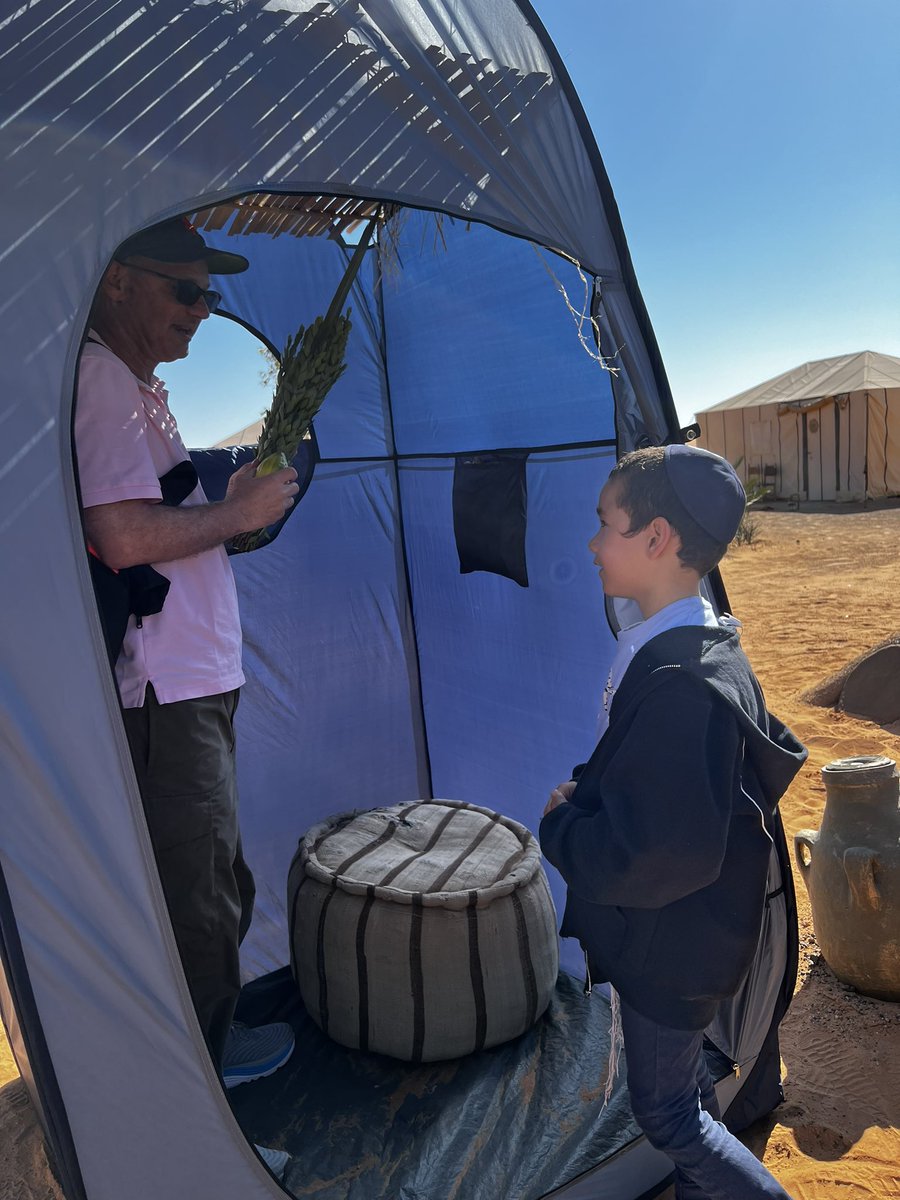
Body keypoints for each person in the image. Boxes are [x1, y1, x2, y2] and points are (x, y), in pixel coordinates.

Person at [75, 216, 299, 1178]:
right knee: (195, 897)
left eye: (210, 296)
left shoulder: (137, 388)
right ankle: (200, 1111)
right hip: (168, 689)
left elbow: (153, 515)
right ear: (120, 281)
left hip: (197, 682)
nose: (202, 313)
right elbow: (120, 536)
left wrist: (226, 506)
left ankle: (213, 1047)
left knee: (215, 878)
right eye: (186, 292)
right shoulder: (98, 381)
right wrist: (239, 512)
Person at [539, 444, 807, 1200]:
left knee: (669, 1116)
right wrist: (595, 789)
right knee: (684, 1096)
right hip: (689, 935)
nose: (593, 546)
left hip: (673, 952)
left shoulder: (684, 684)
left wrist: (562, 829)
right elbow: (669, 789)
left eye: (606, 525)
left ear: (656, 538)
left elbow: (662, 853)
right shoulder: (691, 646)